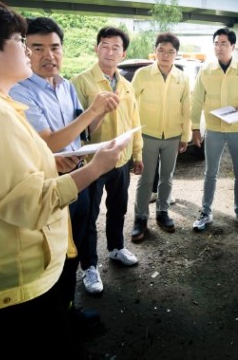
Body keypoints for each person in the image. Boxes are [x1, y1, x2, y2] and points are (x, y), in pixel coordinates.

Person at [0, 0, 128, 359]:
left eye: (51, 46)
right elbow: (29, 203)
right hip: (10, 285)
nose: (30, 50)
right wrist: (96, 167)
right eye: (21, 41)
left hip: (15, 276)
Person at [9, 16, 119, 331]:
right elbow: (48, 143)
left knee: (75, 251)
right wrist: (93, 110)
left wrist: (100, 115)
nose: (49, 56)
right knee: (54, 255)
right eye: (37, 48)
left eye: (55, 47)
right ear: (24, 51)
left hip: (78, 178)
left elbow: (79, 136)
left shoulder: (66, 85)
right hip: (51, 187)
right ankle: (53, 322)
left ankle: (68, 311)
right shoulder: (20, 92)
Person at [72, 26, 143, 295]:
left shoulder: (126, 85)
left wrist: (137, 153)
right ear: (96, 48)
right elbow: (76, 129)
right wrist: (98, 111)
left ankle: (116, 248)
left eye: (115, 47)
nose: (109, 51)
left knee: (118, 207)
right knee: (88, 216)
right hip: (93, 162)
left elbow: (134, 121)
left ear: (123, 54)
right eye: (104, 45)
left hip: (121, 159)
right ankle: (89, 266)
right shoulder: (81, 82)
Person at [191, 27, 238, 231]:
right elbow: (196, 101)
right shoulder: (206, 71)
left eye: (223, 44)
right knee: (210, 172)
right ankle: (205, 212)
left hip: (237, 128)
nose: (218, 48)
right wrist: (195, 128)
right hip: (213, 129)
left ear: (233, 46)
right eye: (216, 43)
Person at [130, 32, 191, 242]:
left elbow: (187, 108)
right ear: (155, 52)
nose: (165, 55)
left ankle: (162, 212)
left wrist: (185, 135)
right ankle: (140, 218)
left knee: (167, 177)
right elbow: (130, 106)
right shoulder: (142, 74)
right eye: (161, 50)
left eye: (170, 52)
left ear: (176, 54)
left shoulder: (182, 77)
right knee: (145, 179)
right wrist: (133, 136)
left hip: (173, 136)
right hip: (147, 134)